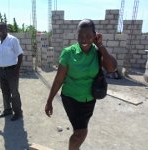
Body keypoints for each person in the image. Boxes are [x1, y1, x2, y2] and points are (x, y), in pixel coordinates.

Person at [45, 19, 117, 149]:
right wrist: (49, 100)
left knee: (79, 129)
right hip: (71, 98)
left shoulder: (97, 52)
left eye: (89, 36)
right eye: (81, 35)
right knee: (81, 133)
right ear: (76, 35)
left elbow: (111, 68)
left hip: (89, 99)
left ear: (95, 35)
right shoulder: (68, 53)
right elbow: (59, 79)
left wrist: (101, 46)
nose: (84, 39)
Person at [0, 22, 23, 121]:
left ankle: (18, 112)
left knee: (14, 93)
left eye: (2, 29)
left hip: (12, 70)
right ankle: (7, 110)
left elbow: (20, 55)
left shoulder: (13, 40)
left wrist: (17, 70)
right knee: (5, 92)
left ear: (6, 29)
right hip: (2, 71)